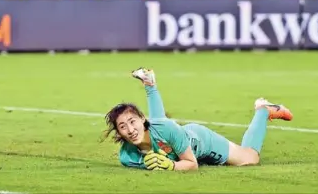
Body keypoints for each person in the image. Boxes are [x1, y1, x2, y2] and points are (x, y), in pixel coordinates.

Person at [104, 68, 293, 171]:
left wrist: (171, 166)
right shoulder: (127, 157)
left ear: (142, 119)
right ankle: (150, 83)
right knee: (161, 125)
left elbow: (191, 164)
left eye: (132, 121)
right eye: (122, 126)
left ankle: (263, 110)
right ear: (118, 132)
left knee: (250, 159)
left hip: (201, 142)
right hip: (175, 139)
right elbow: (158, 123)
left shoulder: (165, 128)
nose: (130, 129)